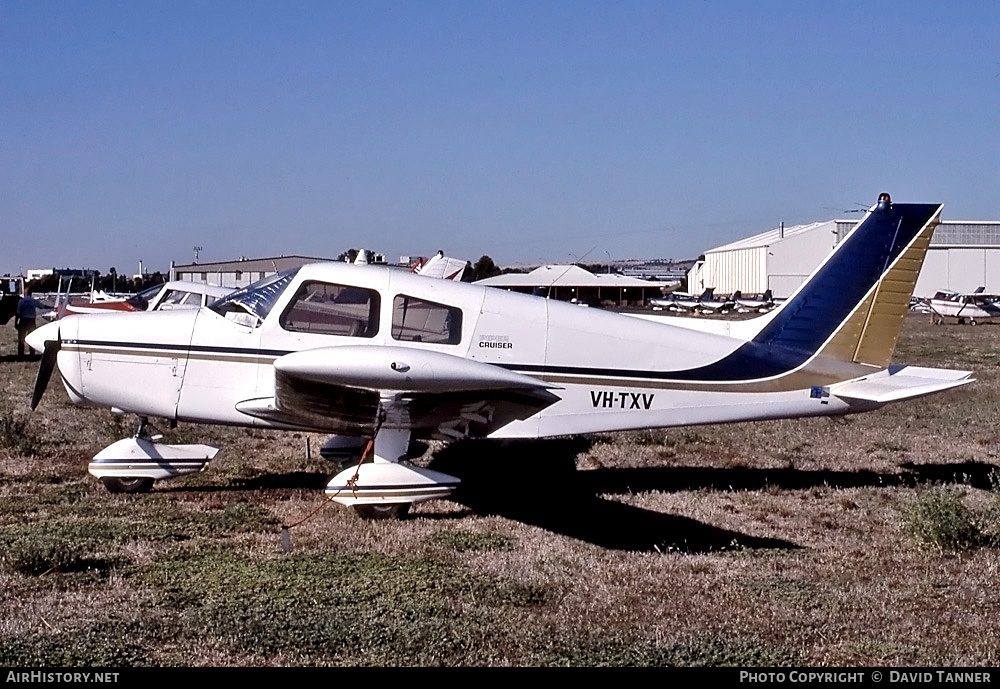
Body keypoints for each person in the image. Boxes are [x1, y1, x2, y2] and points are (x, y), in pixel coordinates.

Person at [15, 287, 43, 359]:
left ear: (25, 293)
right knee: (31, 338)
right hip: (31, 321)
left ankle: (21, 355)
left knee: (21, 339)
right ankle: (32, 354)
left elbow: (18, 313)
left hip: (23, 320)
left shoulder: (21, 301)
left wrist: (16, 322)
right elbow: (42, 306)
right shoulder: (33, 301)